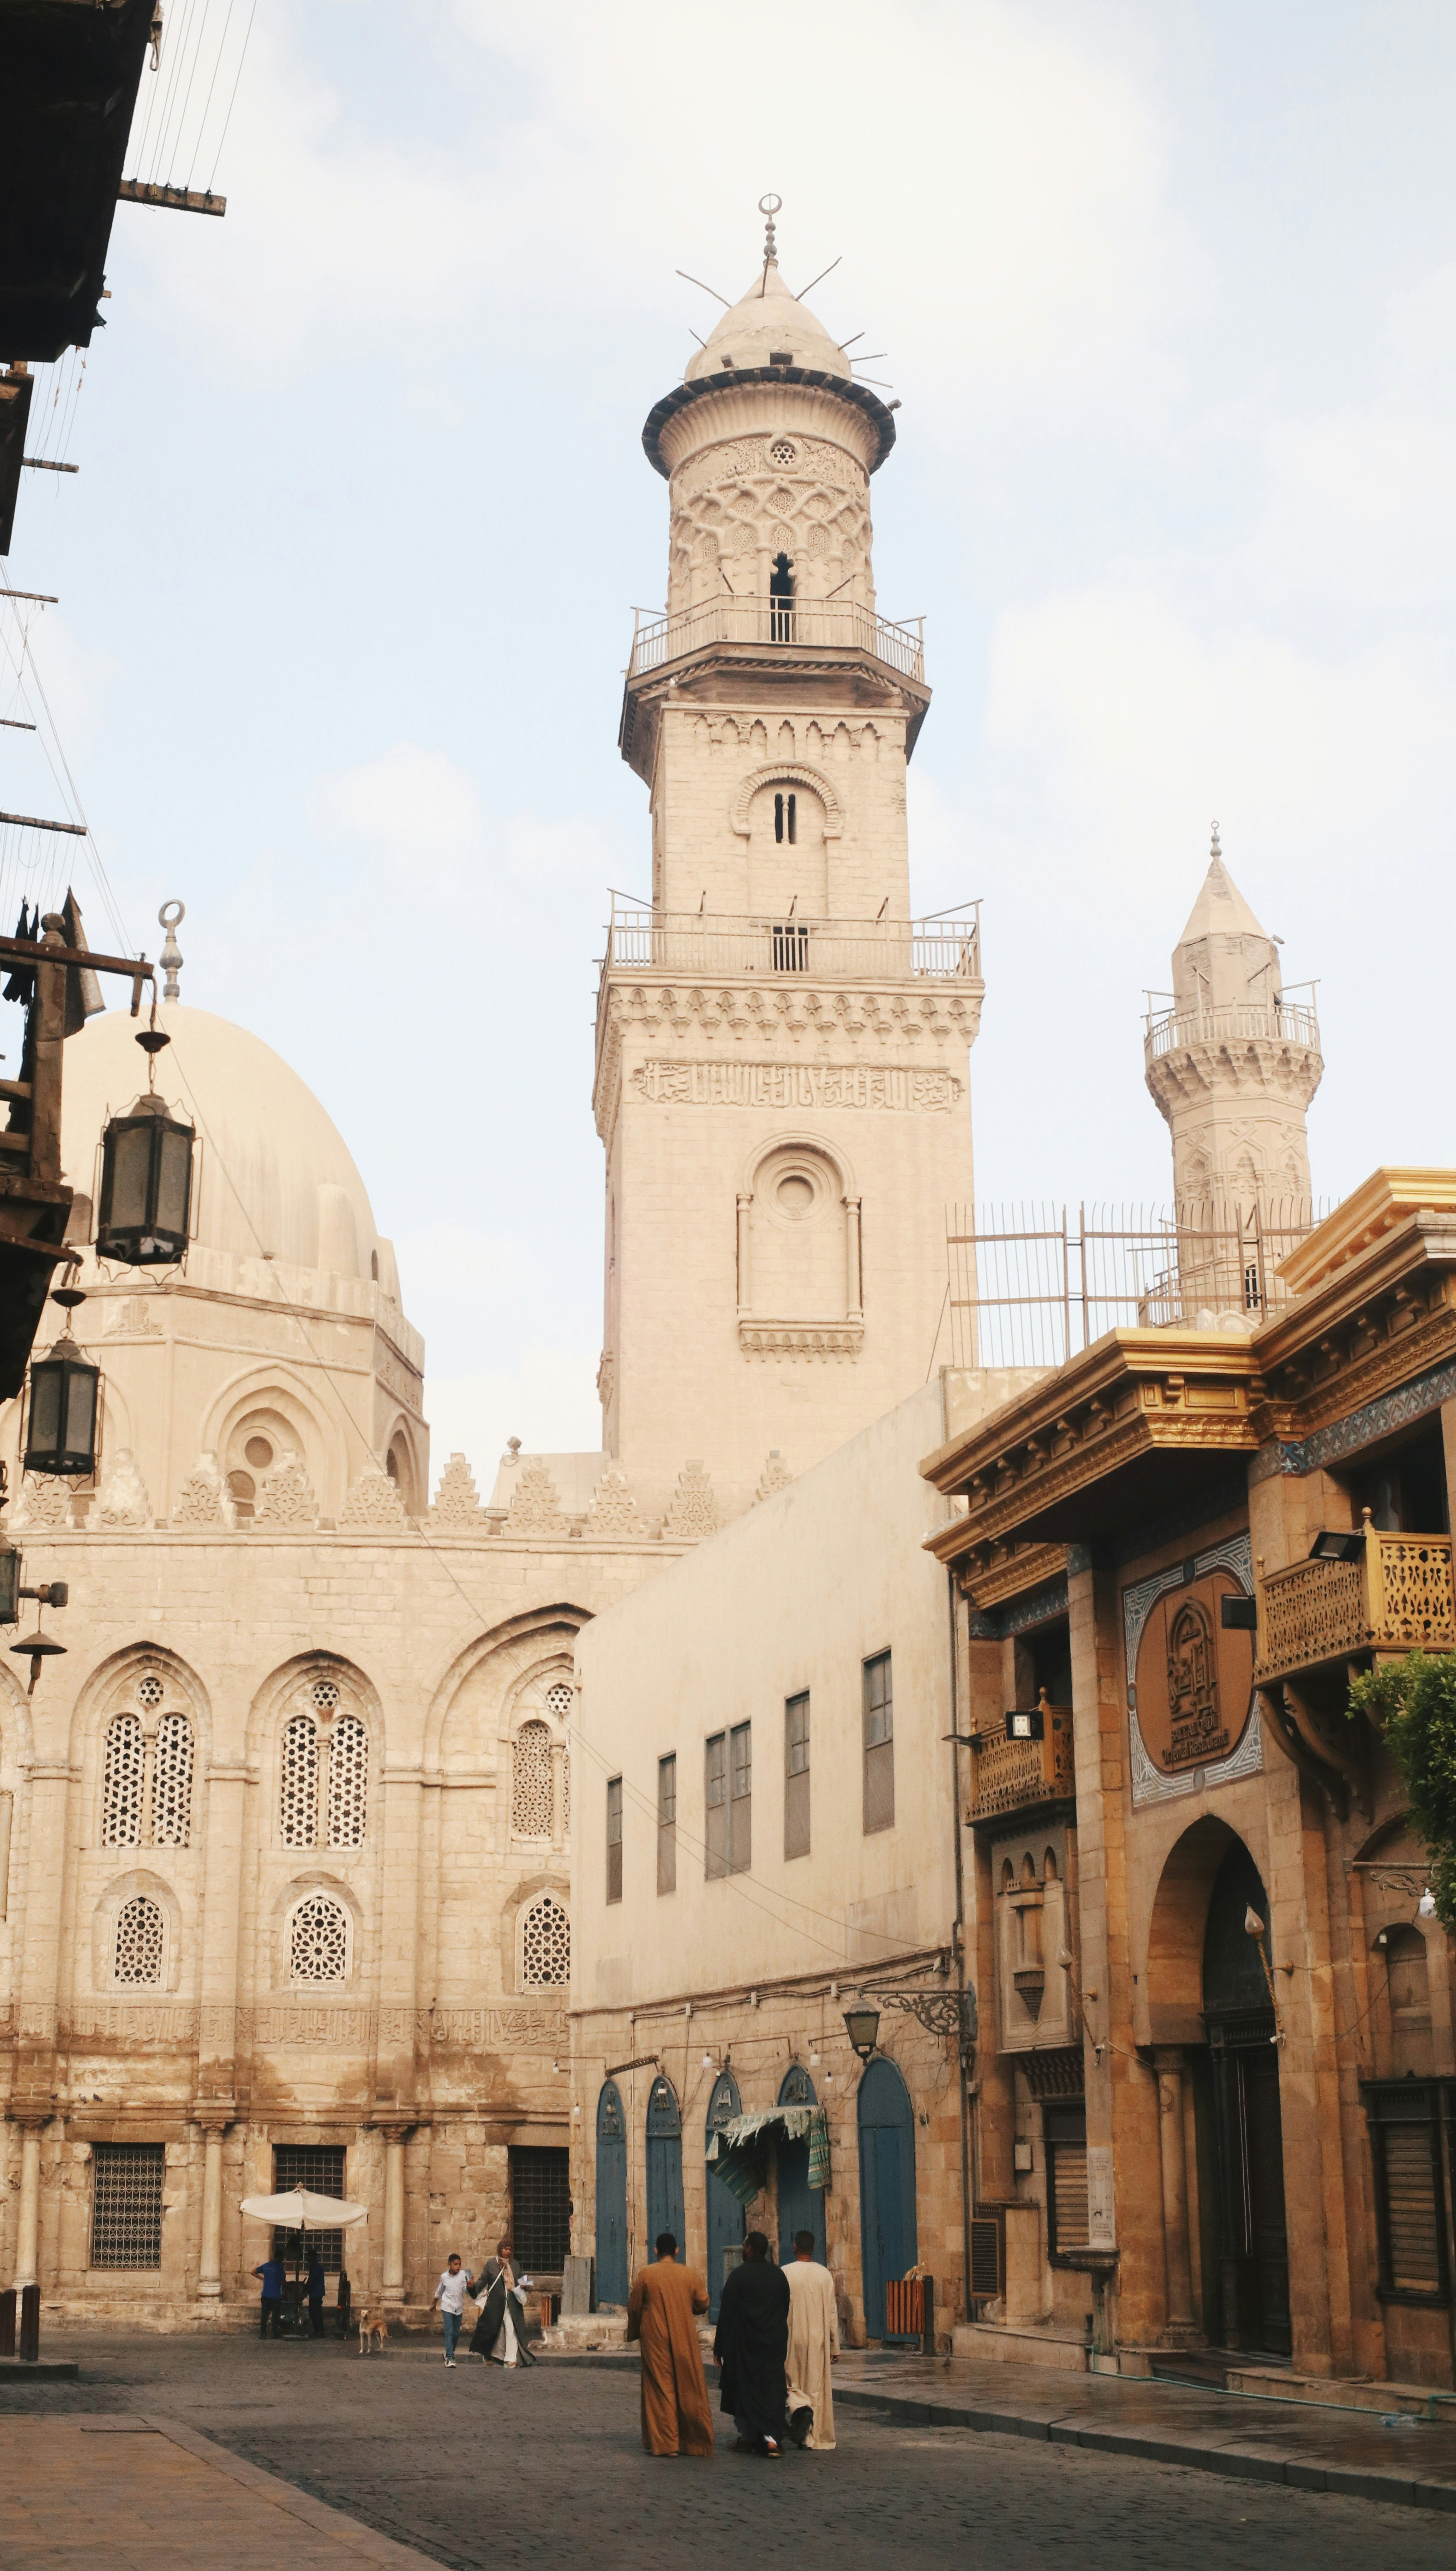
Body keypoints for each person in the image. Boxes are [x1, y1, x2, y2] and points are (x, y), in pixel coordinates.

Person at [625, 2231, 713, 2458]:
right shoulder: (689, 2274)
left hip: (655, 2336)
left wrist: (635, 2330)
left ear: (655, 2251)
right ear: (677, 2251)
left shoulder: (646, 2274)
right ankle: (695, 2442)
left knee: (661, 2386)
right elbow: (703, 2303)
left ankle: (667, 2443)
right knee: (688, 2383)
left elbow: (634, 2305)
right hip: (683, 2334)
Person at [713, 2230, 790, 2456]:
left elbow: (726, 2314)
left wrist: (720, 2348)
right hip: (773, 2344)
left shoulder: (739, 2276)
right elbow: (784, 2307)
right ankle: (771, 2439)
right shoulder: (778, 2276)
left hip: (746, 2346)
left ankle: (750, 2438)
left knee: (746, 2392)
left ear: (749, 2249)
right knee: (772, 2390)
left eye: (745, 2246)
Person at [784, 2229, 839, 2449]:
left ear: (795, 2247)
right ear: (813, 2249)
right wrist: (835, 2345)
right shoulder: (825, 2274)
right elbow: (832, 2312)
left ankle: (800, 2411)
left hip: (793, 2336)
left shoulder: (786, 2273)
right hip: (819, 2338)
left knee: (793, 2384)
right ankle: (814, 2436)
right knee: (816, 2386)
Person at [468, 2238, 538, 2368]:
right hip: (496, 2305)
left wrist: (525, 2285)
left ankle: (510, 2359)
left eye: (510, 2249)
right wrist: (472, 2287)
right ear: (500, 2250)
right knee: (495, 2332)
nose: (509, 2252)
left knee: (511, 2329)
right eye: (506, 2249)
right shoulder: (491, 2264)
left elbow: (521, 2279)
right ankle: (489, 2355)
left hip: (512, 2304)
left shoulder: (515, 2264)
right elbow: (483, 2281)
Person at [434, 2250, 472, 2367]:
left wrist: (470, 2286)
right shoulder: (444, 2277)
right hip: (447, 2306)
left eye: (459, 2264)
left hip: (459, 2307)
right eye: (455, 2264)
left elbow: (465, 2289)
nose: (458, 2267)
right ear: (450, 2265)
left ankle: (449, 2352)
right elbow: (439, 2291)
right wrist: (433, 2304)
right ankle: (450, 2358)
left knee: (456, 2333)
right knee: (449, 2332)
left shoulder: (463, 2274)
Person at [253, 2253, 284, 2340]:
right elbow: (284, 2280)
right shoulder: (279, 2268)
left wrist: (262, 2279)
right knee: (275, 2315)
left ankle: (263, 2333)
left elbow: (253, 2272)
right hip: (276, 2295)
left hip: (265, 2294)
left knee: (264, 2315)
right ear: (281, 2259)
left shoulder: (266, 2266)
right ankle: (274, 2333)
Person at [306, 2249, 327, 2339]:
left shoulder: (316, 2267)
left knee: (316, 2312)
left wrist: (306, 2289)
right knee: (313, 2312)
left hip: (316, 2293)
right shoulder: (314, 2267)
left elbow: (312, 2280)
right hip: (315, 2293)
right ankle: (317, 2330)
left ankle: (320, 2331)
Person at [335, 2268, 353, 2338]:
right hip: (342, 2301)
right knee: (341, 2312)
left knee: (344, 2314)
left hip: (345, 2302)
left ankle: (344, 2329)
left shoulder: (347, 2285)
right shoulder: (343, 2285)